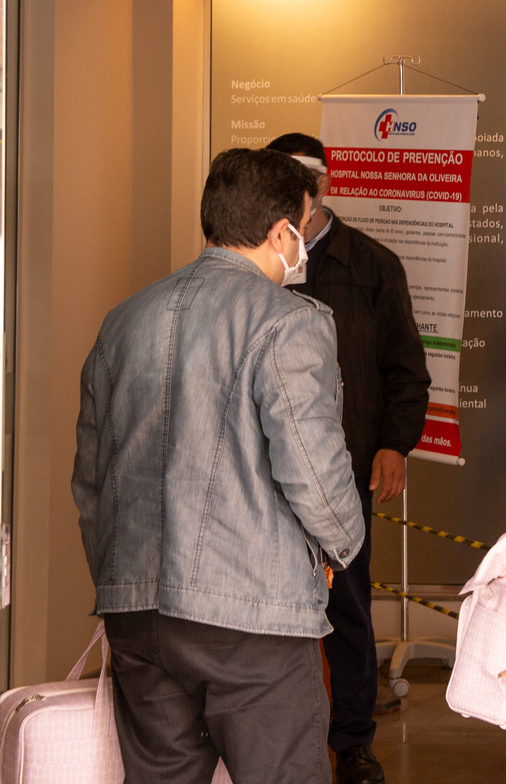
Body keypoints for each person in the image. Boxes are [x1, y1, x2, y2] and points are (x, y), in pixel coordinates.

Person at [73, 148, 365, 784]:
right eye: (303, 228)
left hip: (137, 615)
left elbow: (92, 481)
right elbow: (313, 471)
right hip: (252, 616)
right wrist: (343, 548)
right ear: (280, 233)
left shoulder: (122, 322)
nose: (303, 244)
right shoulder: (289, 322)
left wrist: (122, 579)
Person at [264, 133, 431, 784]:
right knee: (266, 611)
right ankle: (272, 741)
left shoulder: (371, 265)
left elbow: (405, 369)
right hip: (261, 473)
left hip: (343, 471)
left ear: (322, 187)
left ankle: (353, 742)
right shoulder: (256, 264)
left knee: (347, 608)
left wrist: (395, 444)